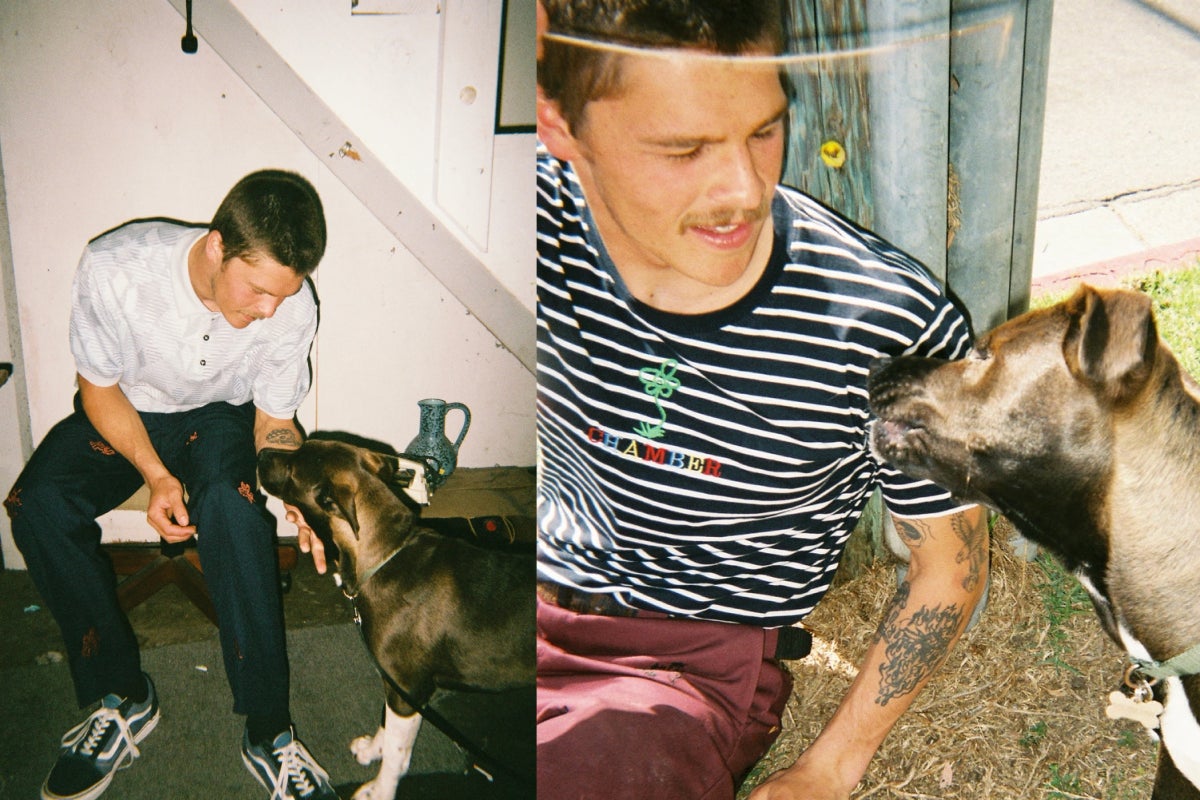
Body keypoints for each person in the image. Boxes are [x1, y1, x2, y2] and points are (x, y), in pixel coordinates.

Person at [534, 2, 989, 799]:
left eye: (765, 129)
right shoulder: (540, 224)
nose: (745, 189)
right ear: (560, 128)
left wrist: (829, 768)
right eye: (683, 149)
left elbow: (950, 569)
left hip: (681, 669)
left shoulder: (887, 328)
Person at [6, 169, 339, 800]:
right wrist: (156, 475)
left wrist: (298, 492)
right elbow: (97, 389)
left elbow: (273, 420)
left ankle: (269, 730)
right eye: (258, 290)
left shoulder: (291, 307)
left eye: (284, 295)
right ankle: (122, 694)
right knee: (37, 503)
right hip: (125, 410)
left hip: (219, 419)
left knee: (232, 508)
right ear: (218, 246)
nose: (269, 310)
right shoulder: (116, 268)